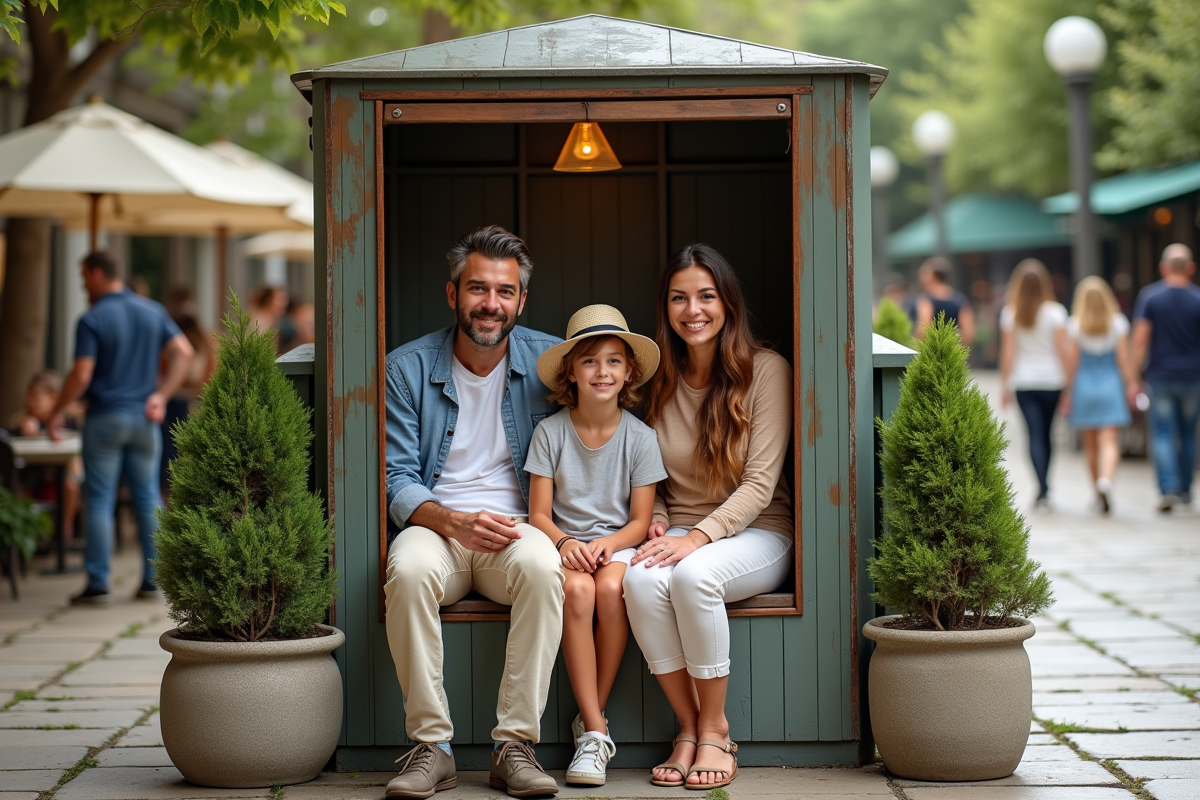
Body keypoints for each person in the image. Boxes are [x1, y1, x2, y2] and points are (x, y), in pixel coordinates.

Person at [382, 226, 563, 799]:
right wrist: (451, 520)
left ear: (521, 300)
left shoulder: (550, 364)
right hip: (437, 528)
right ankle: (431, 747)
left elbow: (597, 440)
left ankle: (515, 746)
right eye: (478, 289)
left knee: (543, 568)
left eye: (504, 292)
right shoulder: (406, 369)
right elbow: (396, 478)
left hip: (517, 528)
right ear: (452, 293)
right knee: (406, 571)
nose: (491, 304)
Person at [623, 244, 794, 791]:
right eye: (679, 298)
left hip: (760, 531)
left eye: (706, 296)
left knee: (695, 577)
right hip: (686, 531)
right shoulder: (658, 380)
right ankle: (689, 725)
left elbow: (760, 483)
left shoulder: (766, 371)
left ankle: (716, 729)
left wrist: (694, 538)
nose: (692, 310)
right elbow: (661, 479)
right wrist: (662, 521)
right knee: (641, 578)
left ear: (728, 303)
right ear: (666, 308)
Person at [524, 305, 666, 787]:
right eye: (589, 361)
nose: (601, 372)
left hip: (617, 545)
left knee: (609, 592)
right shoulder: (550, 432)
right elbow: (538, 514)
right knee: (579, 594)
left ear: (628, 372)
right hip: (562, 545)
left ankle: (590, 726)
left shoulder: (641, 438)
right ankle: (597, 728)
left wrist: (607, 544)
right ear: (570, 372)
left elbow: (641, 521)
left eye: (613, 361)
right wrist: (565, 542)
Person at [47, 250, 194, 605]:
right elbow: (184, 352)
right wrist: (161, 394)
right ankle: (152, 580)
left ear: (98, 274)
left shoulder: (92, 318)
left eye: (84, 276)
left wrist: (56, 410)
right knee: (148, 498)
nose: (83, 285)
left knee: (99, 499)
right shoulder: (152, 310)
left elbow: (81, 374)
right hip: (145, 419)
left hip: (105, 419)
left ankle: (98, 582)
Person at [1130, 243, 1200, 512]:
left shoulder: (1150, 298)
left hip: (1160, 376)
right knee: (1188, 433)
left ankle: (1167, 489)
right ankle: (1185, 489)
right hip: (1193, 377)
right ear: (1191, 268)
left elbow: (1139, 339)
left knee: (1161, 432)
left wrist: (1134, 377)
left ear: (1164, 267)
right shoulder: (1197, 298)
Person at [999, 259, 1070, 508]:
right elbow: (1063, 351)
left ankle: (1041, 489)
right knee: (1048, 435)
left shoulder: (1010, 313)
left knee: (1034, 435)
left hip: (1025, 382)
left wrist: (1004, 385)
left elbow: (1008, 354)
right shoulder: (1056, 312)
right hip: (1052, 381)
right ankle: (1045, 486)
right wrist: (1069, 385)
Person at [1064, 277, 1134, 514]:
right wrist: (1132, 384)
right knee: (1109, 442)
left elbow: (1072, 362)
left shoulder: (1074, 325)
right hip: (1110, 385)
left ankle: (1096, 491)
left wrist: (1067, 392)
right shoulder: (1119, 323)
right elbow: (1123, 360)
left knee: (1091, 445)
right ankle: (1106, 480)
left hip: (1084, 386)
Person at [8, 370, 83, 544]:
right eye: (30, 398)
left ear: (55, 399)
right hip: (34, 476)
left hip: (62, 476)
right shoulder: (25, 419)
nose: (32, 403)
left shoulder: (69, 419)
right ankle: (26, 536)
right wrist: (24, 429)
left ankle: (65, 530)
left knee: (72, 480)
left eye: (37, 398)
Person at [159, 314, 216, 502]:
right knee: (172, 452)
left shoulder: (200, 351)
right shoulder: (178, 351)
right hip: (180, 403)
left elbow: (205, 381)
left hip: (188, 404)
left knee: (177, 453)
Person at [915, 256, 975, 346]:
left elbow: (923, 329)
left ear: (932, 276)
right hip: (954, 353)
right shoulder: (960, 300)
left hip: (931, 353)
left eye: (924, 273)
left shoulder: (926, 300)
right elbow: (969, 334)